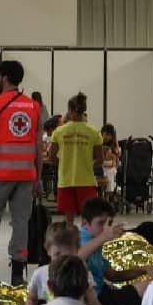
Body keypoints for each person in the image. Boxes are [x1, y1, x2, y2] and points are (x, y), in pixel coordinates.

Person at [0, 60, 43, 286]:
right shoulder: (34, 107)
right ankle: (17, 273)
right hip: (26, 176)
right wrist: (38, 178)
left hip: (0, 175)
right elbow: (38, 147)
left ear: (4, 78)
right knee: (21, 222)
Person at [76, 198, 153, 305]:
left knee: (150, 285)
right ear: (84, 222)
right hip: (94, 300)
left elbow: (113, 275)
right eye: (101, 223)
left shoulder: (96, 241)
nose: (106, 228)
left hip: (104, 293)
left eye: (109, 223)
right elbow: (74, 259)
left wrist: (144, 269)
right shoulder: (79, 239)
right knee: (149, 287)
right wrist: (104, 236)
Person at [48, 93, 103, 228]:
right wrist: (87, 164)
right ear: (83, 110)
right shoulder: (94, 132)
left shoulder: (59, 132)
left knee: (69, 222)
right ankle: (87, 246)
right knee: (88, 222)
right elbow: (100, 160)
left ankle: (70, 247)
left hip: (65, 181)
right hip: (86, 181)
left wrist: (64, 164)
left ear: (70, 111)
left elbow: (51, 157)